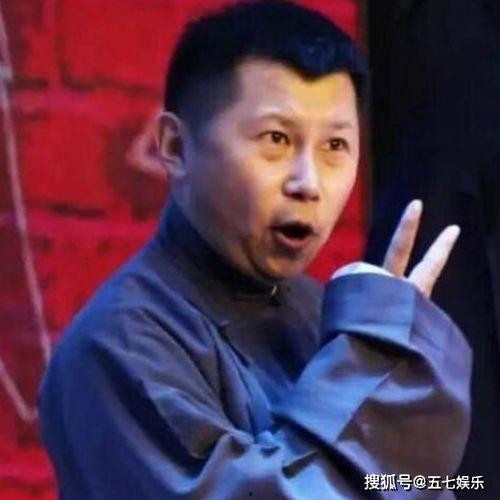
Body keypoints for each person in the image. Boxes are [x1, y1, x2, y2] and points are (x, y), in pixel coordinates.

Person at [38, 1, 472, 498]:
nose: (309, 183)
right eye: (276, 139)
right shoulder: (116, 347)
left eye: (335, 146)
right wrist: (374, 363)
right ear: (175, 147)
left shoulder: (319, 311)